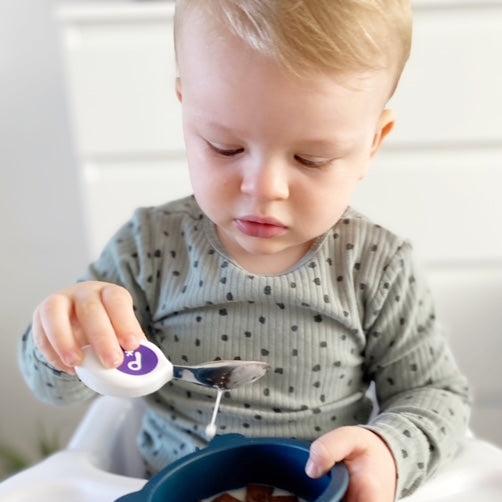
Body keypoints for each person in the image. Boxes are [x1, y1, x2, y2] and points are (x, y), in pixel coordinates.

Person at [19, 1, 471, 500]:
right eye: (224, 146)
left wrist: (389, 450)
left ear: (373, 143)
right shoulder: (150, 249)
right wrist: (67, 342)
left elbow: (435, 395)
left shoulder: (376, 267)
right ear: (184, 105)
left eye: (311, 158)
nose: (264, 188)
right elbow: (57, 389)